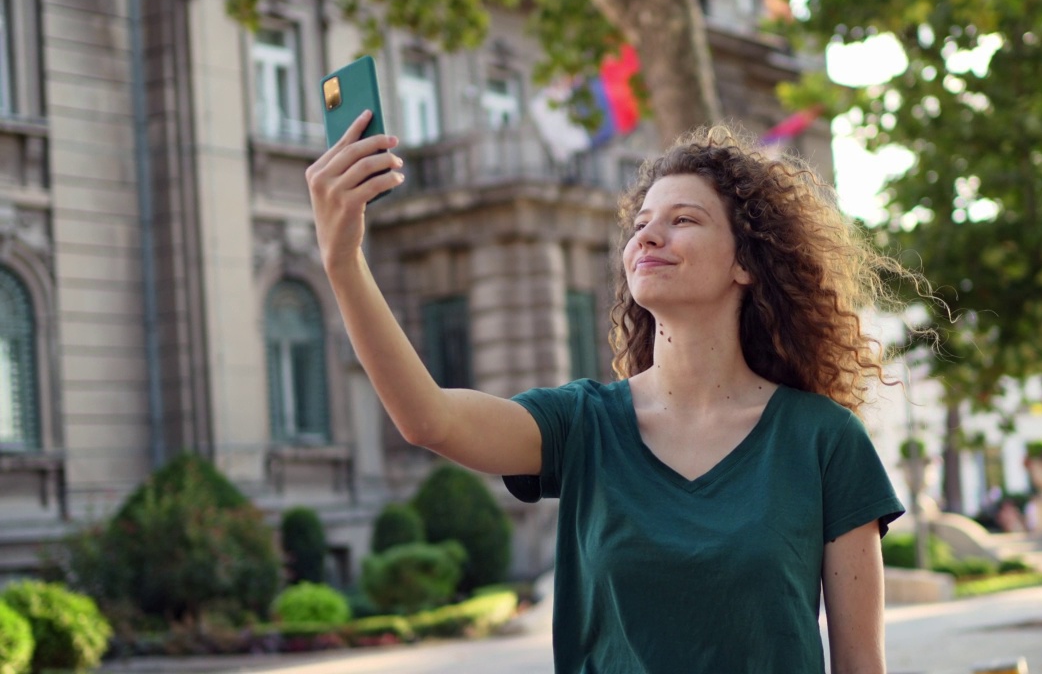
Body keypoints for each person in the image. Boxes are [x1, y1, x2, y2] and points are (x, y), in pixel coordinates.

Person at [306, 114, 906, 673]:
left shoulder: (825, 441)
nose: (649, 237)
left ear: (746, 263)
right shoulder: (581, 424)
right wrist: (343, 261)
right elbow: (428, 419)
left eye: (683, 220)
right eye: (641, 223)